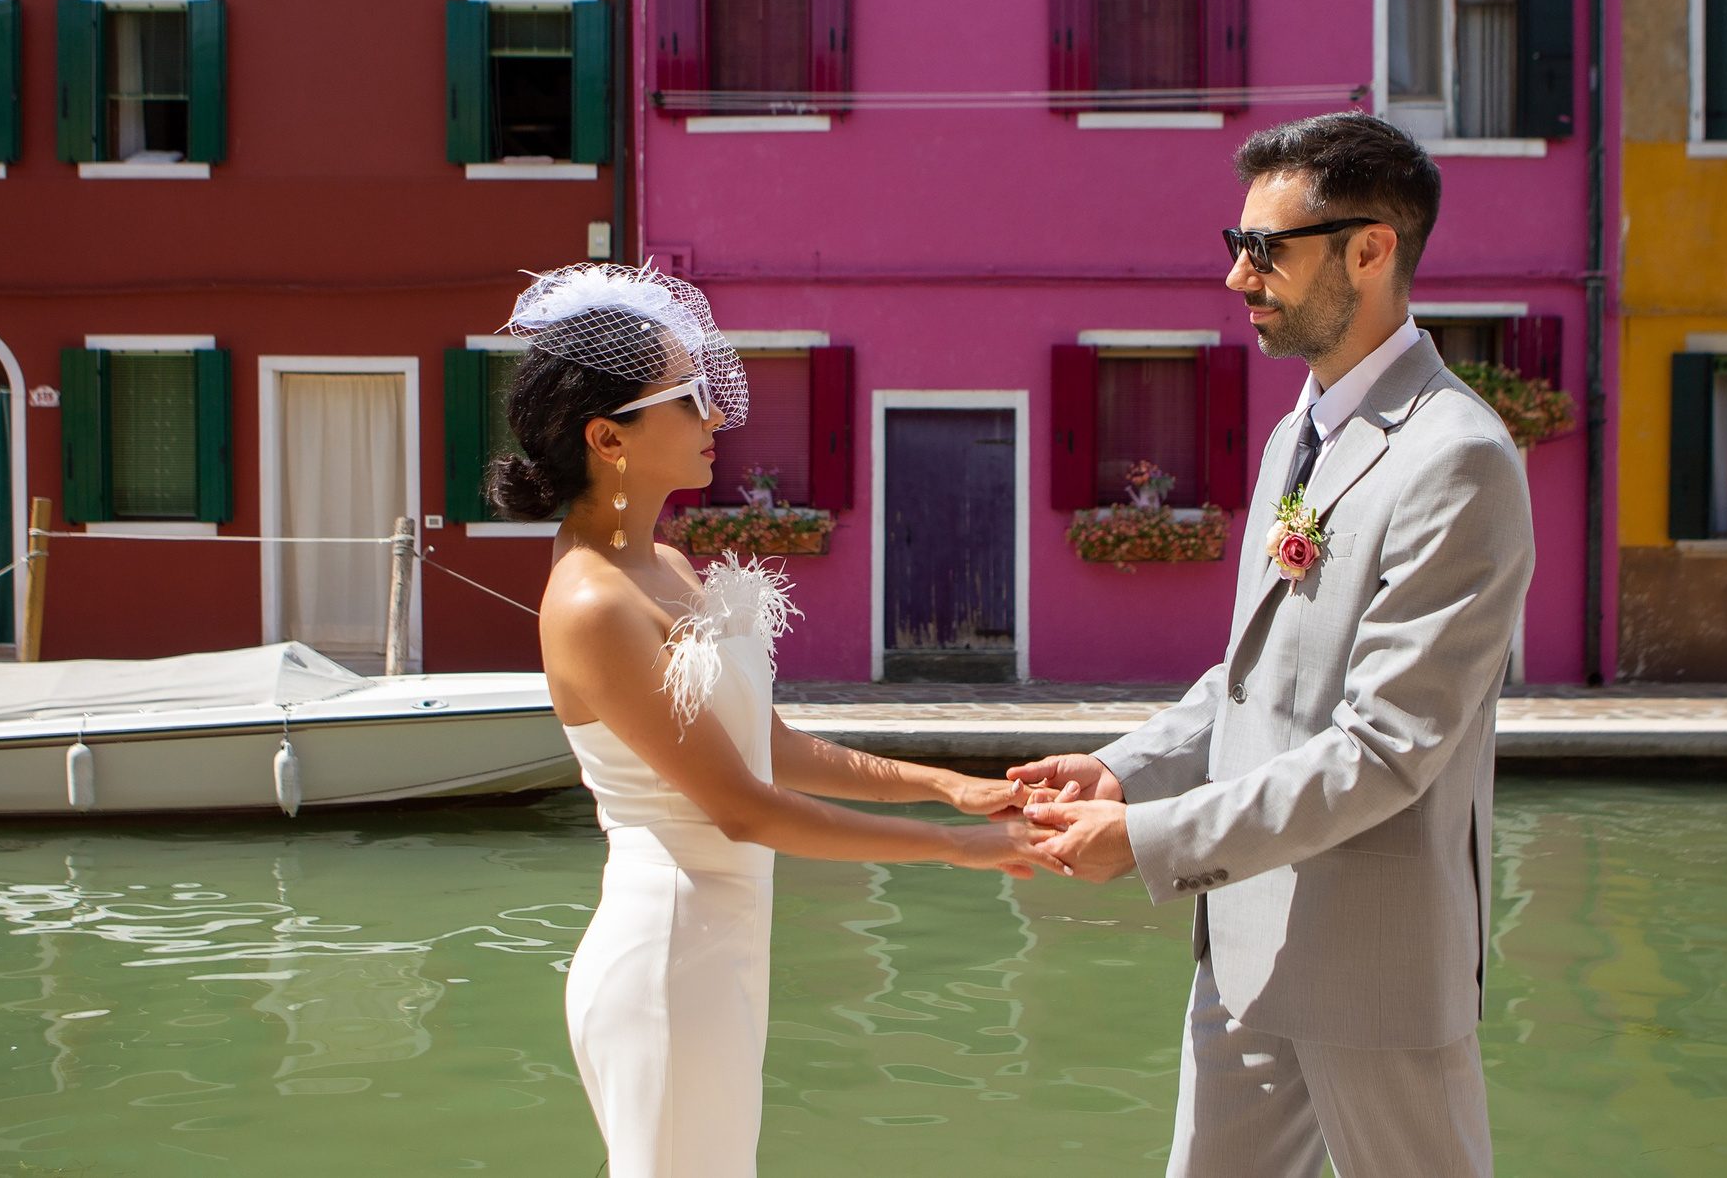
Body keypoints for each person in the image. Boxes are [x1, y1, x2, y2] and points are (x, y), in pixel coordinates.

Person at [1016, 113, 1532, 1178]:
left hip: (1372, 965)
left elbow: (1385, 748)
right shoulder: (1299, 430)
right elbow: (1251, 676)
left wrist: (1149, 836)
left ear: (1371, 249)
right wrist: (1123, 765)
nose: (1236, 276)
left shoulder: (1459, 458)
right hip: (1242, 944)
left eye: (1266, 249)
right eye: (1235, 242)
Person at [493, 263, 1047, 1178]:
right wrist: (956, 849)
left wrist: (948, 784)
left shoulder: (663, 564)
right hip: (668, 953)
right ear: (607, 437)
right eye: (689, 397)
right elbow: (742, 808)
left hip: (718, 946)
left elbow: (771, 748)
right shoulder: (594, 602)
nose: (716, 416)